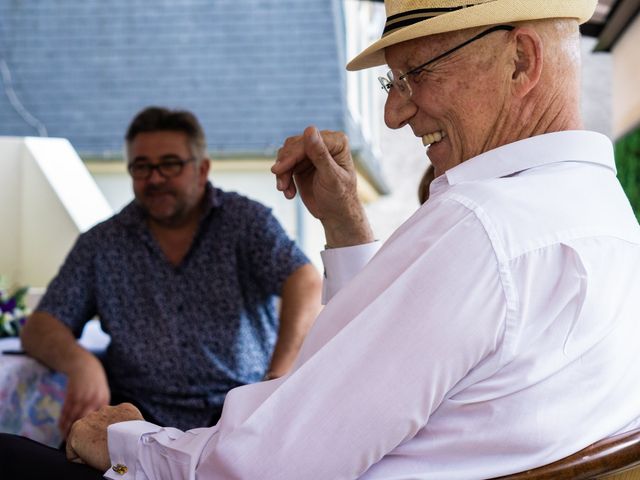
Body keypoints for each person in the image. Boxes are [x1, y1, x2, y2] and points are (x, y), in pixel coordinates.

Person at [2, 0, 640, 478]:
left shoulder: (481, 227)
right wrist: (344, 223)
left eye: (414, 74)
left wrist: (126, 441)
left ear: (521, 60)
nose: (394, 113)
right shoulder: (600, 213)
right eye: (393, 84)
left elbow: (264, 468)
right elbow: (401, 351)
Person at [18, 106, 322, 435]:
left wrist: (277, 378)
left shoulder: (245, 222)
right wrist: (81, 363)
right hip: (134, 419)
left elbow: (304, 280)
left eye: (170, 164)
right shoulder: (103, 243)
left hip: (237, 415)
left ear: (202, 169)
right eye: (141, 167)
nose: (155, 178)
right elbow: (41, 325)